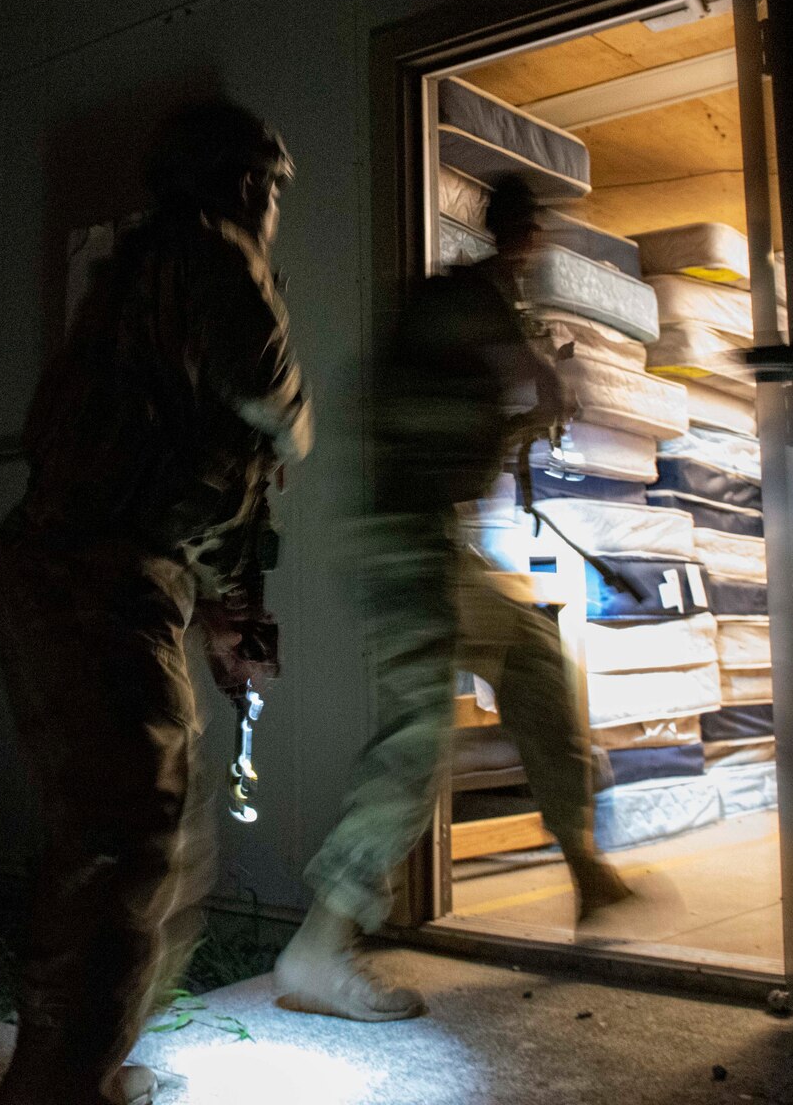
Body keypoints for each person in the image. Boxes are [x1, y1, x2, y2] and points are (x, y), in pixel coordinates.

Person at [0, 100, 313, 1105]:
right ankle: (58, 1086)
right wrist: (289, 430)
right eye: (262, 184)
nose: (268, 207)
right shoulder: (211, 256)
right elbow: (267, 416)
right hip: (95, 576)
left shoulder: (147, 279)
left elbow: (191, 462)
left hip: (102, 573)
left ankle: (89, 1059)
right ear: (233, 184)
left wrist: (224, 609)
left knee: (158, 833)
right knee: (126, 836)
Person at [274, 175, 633, 1021]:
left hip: (436, 537)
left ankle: (584, 866)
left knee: (533, 653)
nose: (533, 246)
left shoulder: (478, 309)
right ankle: (321, 947)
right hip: (405, 538)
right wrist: (547, 383)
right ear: (520, 234)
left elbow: (497, 406)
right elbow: (535, 386)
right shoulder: (462, 300)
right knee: (419, 731)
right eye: (531, 230)